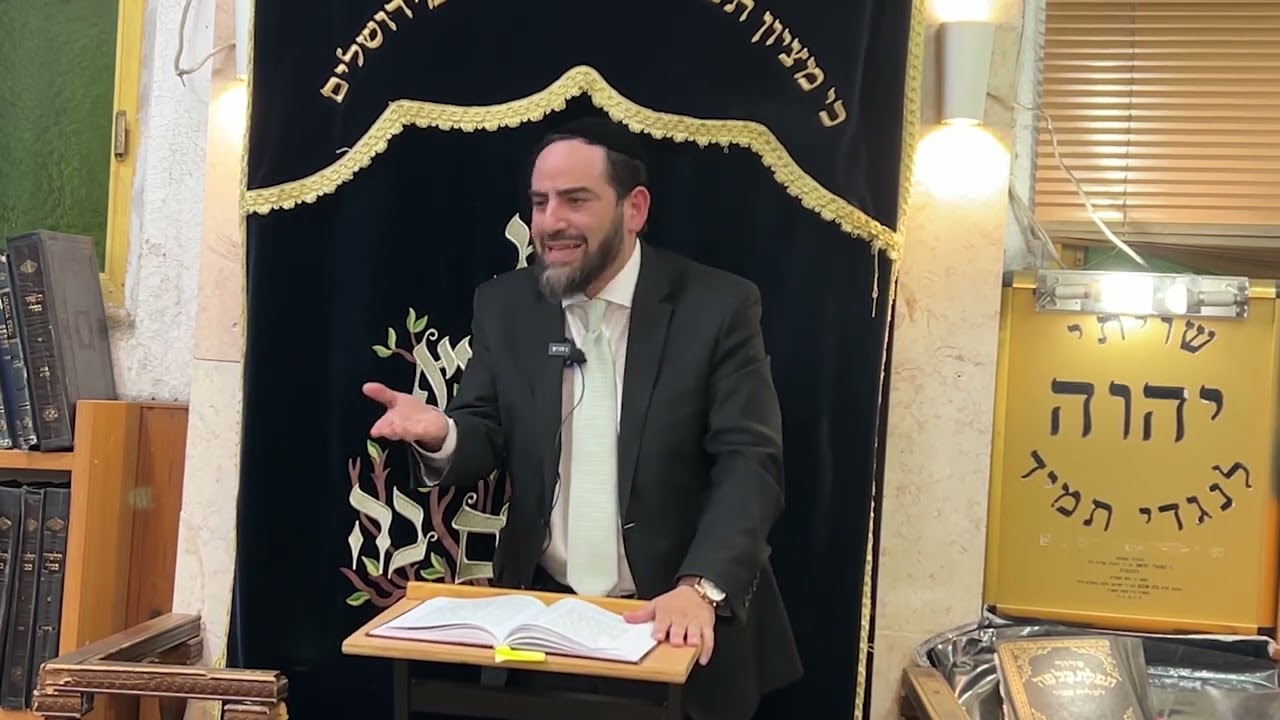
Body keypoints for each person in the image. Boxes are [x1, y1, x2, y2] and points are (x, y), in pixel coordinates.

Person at [363, 117, 801, 720]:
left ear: (634, 208)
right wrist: (443, 433)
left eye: (575, 200)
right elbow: (485, 428)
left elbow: (750, 464)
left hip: (674, 626)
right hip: (547, 629)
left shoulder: (717, 307)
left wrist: (699, 587)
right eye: (540, 202)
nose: (551, 222)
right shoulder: (506, 304)